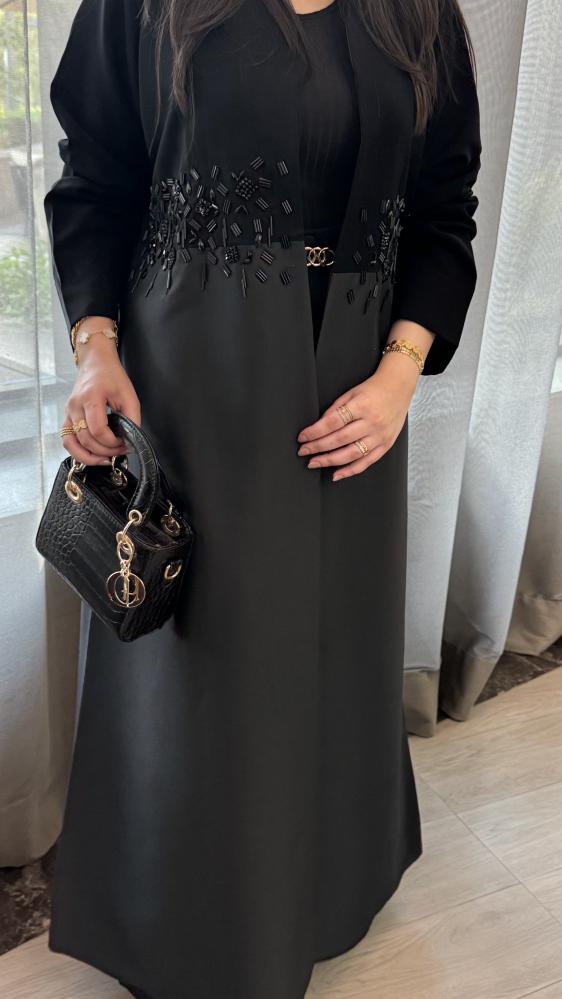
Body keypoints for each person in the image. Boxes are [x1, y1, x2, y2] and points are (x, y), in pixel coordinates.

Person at [43, 0, 481, 997]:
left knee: (332, 643)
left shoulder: (419, 10)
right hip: (196, 382)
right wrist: (94, 351)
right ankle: (180, 917)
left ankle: (323, 892)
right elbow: (96, 178)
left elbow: (443, 202)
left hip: (353, 390)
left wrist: (400, 374)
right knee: (207, 660)